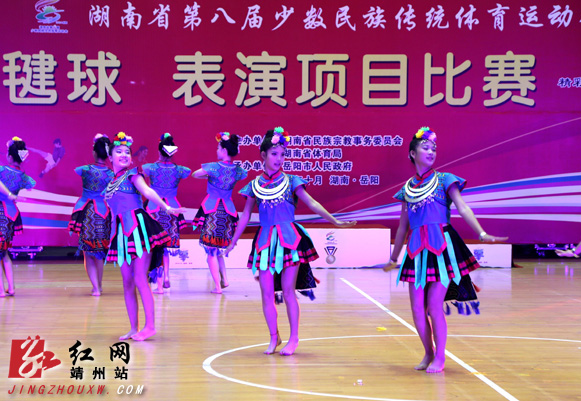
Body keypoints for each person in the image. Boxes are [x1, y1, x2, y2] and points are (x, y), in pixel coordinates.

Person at [383, 127, 507, 373]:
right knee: (417, 309)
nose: (431, 152)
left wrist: (481, 233)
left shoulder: (445, 180)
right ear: (412, 154)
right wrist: (394, 257)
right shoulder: (407, 189)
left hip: (441, 248)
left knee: (433, 305)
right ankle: (428, 353)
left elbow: (463, 207)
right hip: (416, 252)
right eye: (425, 148)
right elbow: (403, 227)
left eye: (434, 149)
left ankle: (440, 356)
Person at [227, 127, 356, 356]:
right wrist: (233, 241)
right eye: (274, 154)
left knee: (288, 292)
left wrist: (334, 220)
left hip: (290, 241)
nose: (279, 159)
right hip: (265, 243)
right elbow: (245, 215)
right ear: (263, 155)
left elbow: (312, 202)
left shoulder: (292, 181)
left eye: (283, 154)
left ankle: (294, 338)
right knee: (266, 293)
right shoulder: (254, 186)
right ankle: (274, 337)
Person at [104, 132, 182, 341]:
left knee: (140, 278)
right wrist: (112, 239)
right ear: (110, 157)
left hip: (139, 229)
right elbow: (113, 213)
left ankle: (150, 327)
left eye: (127, 152)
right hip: (121, 235)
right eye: (118, 151)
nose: (123, 154)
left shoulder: (133, 174)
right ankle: (133, 327)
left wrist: (166, 208)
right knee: (127, 282)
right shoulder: (110, 183)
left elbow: (148, 192)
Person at [192, 132, 247, 294]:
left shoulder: (214, 167)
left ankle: (217, 287)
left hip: (213, 211)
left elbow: (195, 174)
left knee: (211, 250)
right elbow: (242, 176)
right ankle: (225, 279)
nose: (217, 150)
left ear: (224, 150)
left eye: (218, 147)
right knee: (217, 250)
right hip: (228, 211)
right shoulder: (238, 170)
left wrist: (208, 177)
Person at [142, 133, 191, 294]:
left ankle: (159, 285)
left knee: (156, 247)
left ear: (159, 151)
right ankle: (167, 276)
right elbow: (188, 172)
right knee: (165, 247)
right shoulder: (179, 170)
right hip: (171, 210)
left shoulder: (150, 168)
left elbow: (143, 172)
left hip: (154, 209)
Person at [68, 134, 114, 296]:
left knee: (88, 253)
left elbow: (76, 170)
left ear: (94, 152)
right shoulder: (111, 174)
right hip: (103, 213)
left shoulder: (85, 170)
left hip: (87, 213)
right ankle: (99, 286)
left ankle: (95, 287)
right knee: (99, 252)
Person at [0, 137, 35, 297]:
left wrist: (8, 193)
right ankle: (11, 288)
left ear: (9, 156)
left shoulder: (2, 170)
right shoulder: (23, 176)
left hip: (1, 211)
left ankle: (1, 291)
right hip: (11, 214)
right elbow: (31, 185)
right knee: (4, 252)